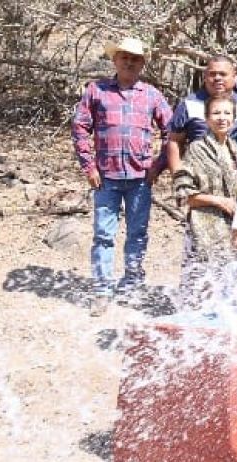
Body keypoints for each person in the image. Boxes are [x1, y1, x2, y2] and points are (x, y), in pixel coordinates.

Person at [71, 38, 172, 316]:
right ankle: (102, 290)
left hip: (141, 178)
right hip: (106, 178)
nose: (129, 62)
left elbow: (171, 130)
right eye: (124, 57)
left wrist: (158, 166)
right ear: (115, 60)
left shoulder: (151, 95)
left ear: (142, 63)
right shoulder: (97, 90)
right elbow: (80, 127)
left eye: (135, 58)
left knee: (137, 235)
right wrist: (89, 167)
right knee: (104, 235)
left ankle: (131, 286)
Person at [172, 96, 237, 307]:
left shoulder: (236, 150)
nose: (222, 118)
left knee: (232, 282)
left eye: (227, 113)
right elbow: (184, 193)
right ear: (207, 118)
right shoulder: (197, 149)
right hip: (205, 227)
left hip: (234, 226)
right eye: (216, 113)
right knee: (205, 284)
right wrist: (218, 201)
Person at [166, 55, 237, 172]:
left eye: (223, 74)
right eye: (212, 74)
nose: (217, 78)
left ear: (234, 76)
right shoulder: (189, 104)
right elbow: (174, 141)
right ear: (205, 77)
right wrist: (178, 173)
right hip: (201, 174)